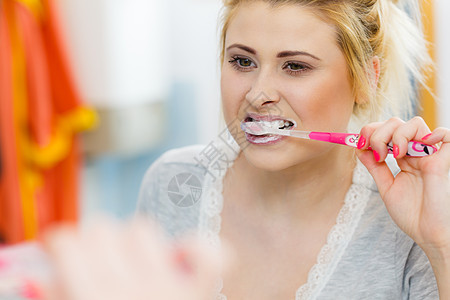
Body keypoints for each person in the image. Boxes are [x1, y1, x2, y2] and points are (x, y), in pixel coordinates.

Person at [43, 0, 450, 299]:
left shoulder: (408, 222)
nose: (258, 94)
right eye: (242, 61)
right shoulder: (171, 183)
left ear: (367, 78)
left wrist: (441, 243)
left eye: (295, 66)